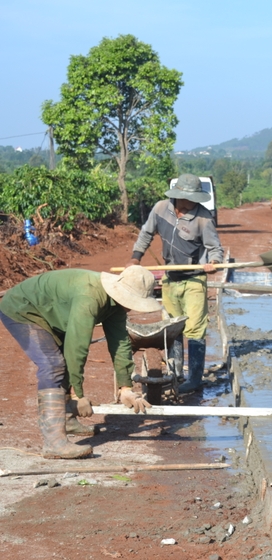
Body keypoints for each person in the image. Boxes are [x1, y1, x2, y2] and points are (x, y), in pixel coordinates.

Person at [0, 267, 161, 459]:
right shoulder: (90, 297)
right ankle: (54, 443)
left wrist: (125, 388)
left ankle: (66, 420)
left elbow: (120, 345)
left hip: (53, 312)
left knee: (63, 361)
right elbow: (77, 346)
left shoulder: (115, 306)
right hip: (23, 309)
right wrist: (77, 395)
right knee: (53, 365)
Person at [127, 173, 224, 394]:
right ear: (178, 196)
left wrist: (215, 262)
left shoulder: (203, 218)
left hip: (194, 279)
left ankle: (195, 378)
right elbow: (146, 234)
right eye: (189, 198)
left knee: (195, 329)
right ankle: (175, 372)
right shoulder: (161, 209)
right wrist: (135, 258)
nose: (193, 202)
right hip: (171, 278)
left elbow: (214, 248)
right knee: (171, 327)